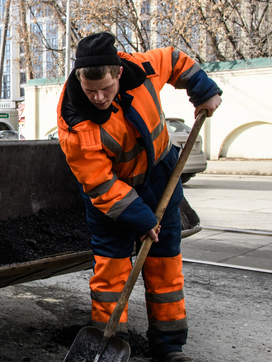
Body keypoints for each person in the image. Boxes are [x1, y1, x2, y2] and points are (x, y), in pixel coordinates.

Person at [56, 32, 222, 362]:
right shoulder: (75, 122)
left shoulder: (142, 68)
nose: (99, 97)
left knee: (165, 263)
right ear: (79, 80)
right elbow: (100, 185)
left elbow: (175, 60)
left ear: (119, 72)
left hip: (161, 175)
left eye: (105, 88)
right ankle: (110, 339)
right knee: (112, 271)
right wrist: (142, 219)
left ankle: (169, 346)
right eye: (91, 91)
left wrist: (202, 90)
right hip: (112, 196)